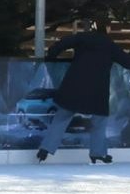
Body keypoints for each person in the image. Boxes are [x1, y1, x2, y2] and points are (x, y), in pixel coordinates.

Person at [39, 24, 121, 163]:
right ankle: (97, 153)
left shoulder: (82, 38)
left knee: (62, 116)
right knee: (99, 121)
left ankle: (45, 150)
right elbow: (128, 62)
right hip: (97, 90)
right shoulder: (109, 44)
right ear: (106, 27)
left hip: (74, 86)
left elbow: (62, 43)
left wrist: (52, 54)